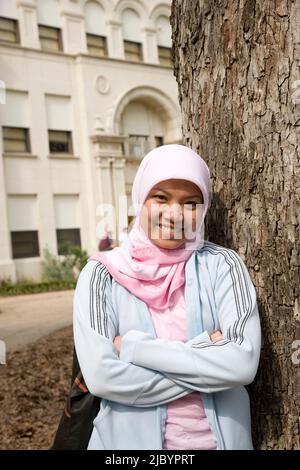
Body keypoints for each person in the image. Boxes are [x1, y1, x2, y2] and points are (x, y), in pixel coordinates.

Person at [73, 144, 261, 450]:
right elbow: (102, 377)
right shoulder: (101, 275)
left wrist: (134, 348)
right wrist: (206, 352)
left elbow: (242, 365)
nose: (174, 214)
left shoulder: (223, 265)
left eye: (190, 203)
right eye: (160, 198)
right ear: (140, 199)